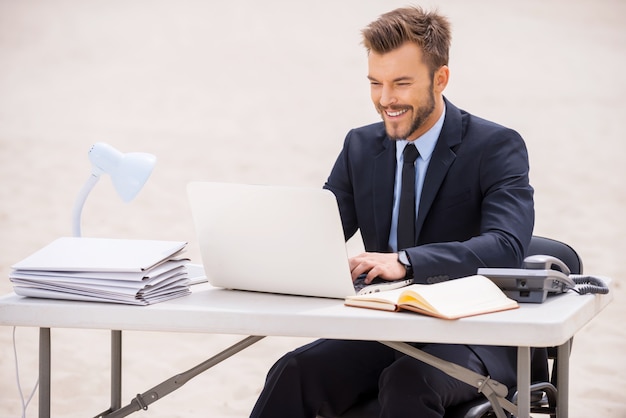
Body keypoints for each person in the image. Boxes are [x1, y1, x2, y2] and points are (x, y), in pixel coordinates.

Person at [251, 6, 546, 418]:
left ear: (439, 78)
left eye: (401, 84)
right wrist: (254, 254)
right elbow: (319, 234)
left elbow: (506, 246)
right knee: (294, 370)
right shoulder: (360, 146)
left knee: (409, 383)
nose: (385, 99)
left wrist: (405, 262)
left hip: (477, 333)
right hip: (388, 329)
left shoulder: (495, 147)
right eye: (376, 83)